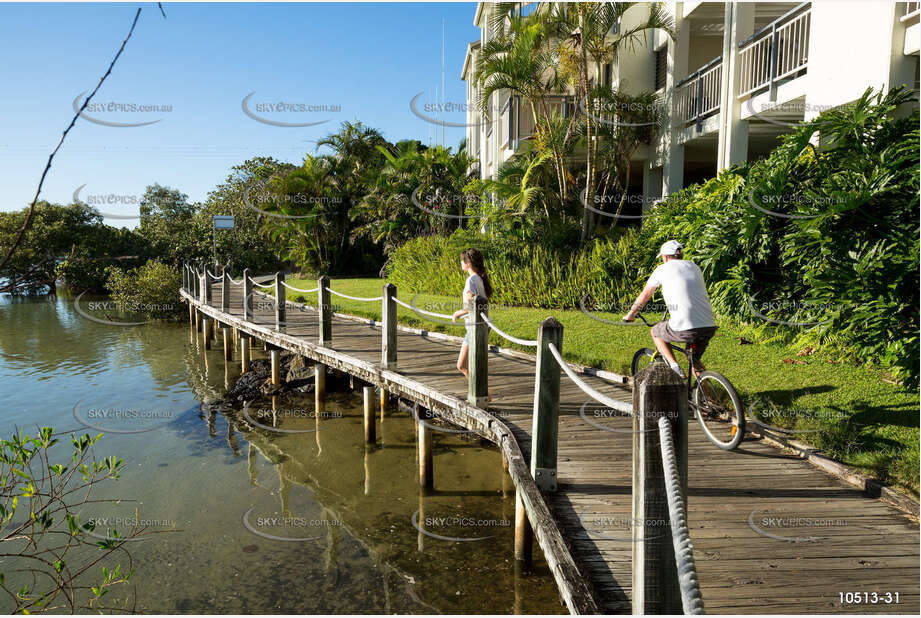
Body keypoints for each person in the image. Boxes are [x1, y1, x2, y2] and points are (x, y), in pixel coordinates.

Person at [623, 240, 717, 378]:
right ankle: (706, 397)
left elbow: (646, 294)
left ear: (665, 257)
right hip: (708, 325)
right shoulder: (694, 266)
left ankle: (674, 367)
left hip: (686, 327)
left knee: (656, 332)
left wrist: (631, 314)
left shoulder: (662, 269)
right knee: (693, 360)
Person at [451, 248, 493, 379]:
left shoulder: (471, 281)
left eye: (462, 261)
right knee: (473, 364)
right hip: (482, 325)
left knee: (462, 365)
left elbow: (472, 307)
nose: (461, 263)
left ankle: (482, 393)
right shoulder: (479, 278)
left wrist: (458, 313)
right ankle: (481, 393)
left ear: (468, 263)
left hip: (475, 327)